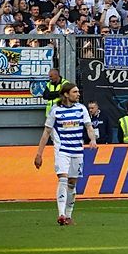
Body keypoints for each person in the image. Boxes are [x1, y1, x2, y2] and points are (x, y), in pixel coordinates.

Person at [34, 82, 98, 226]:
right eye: (75, 92)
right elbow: (46, 133)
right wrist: (39, 153)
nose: (78, 94)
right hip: (62, 150)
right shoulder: (55, 111)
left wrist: (92, 139)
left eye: (78, 91)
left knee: (72, 183)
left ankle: (68, 215)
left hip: (78, 151)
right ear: (66, 94)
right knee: (63, 179)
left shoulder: (81, 109)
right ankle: (61, 214)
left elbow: (89, 127)